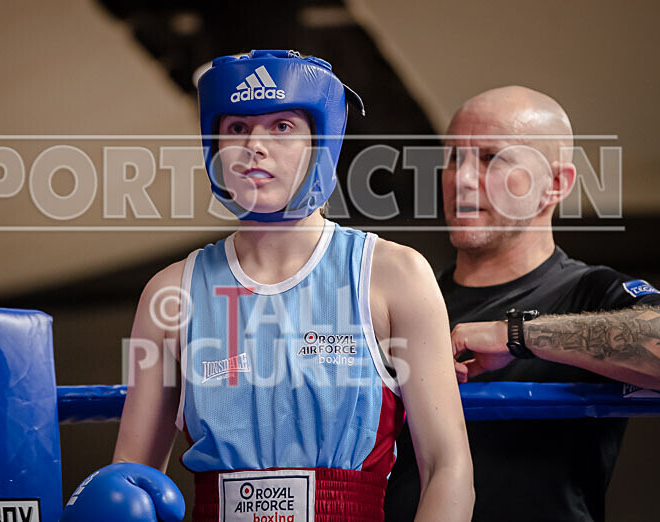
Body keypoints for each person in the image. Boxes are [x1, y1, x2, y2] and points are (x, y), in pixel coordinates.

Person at [111, 50, 474, 521]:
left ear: (321, 142)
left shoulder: (392, 275)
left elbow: (449, 467)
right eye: (237, 128)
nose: (254, 147)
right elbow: (132, 477)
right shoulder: (170, 293)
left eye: (282, 127)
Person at [384, 86, 660, 522]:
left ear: (554, 185)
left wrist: (519, 334)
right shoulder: (410, 305)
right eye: (455, 157)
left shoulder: (589, 293)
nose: (461, 178)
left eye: (492, 158)